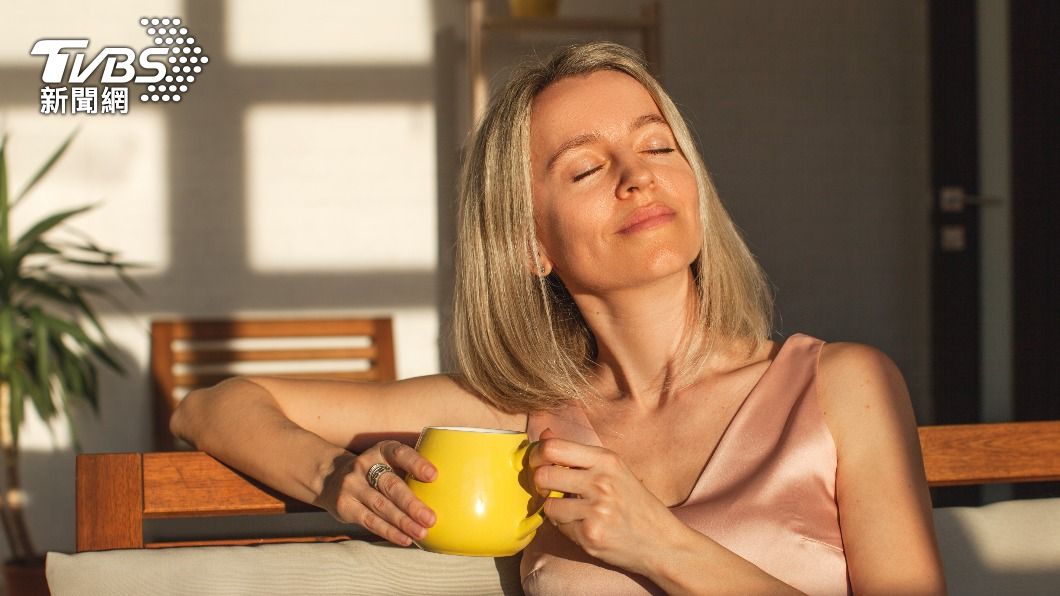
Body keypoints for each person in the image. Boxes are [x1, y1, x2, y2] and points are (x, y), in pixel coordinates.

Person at [172, 42, 946, 595]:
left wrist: (664, 545)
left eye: (658, 147)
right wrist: (334, 476)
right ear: (531, 242)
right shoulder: (514, 420)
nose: (637, 177)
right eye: (585, 167)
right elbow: (210, 406)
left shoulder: (844, 386)